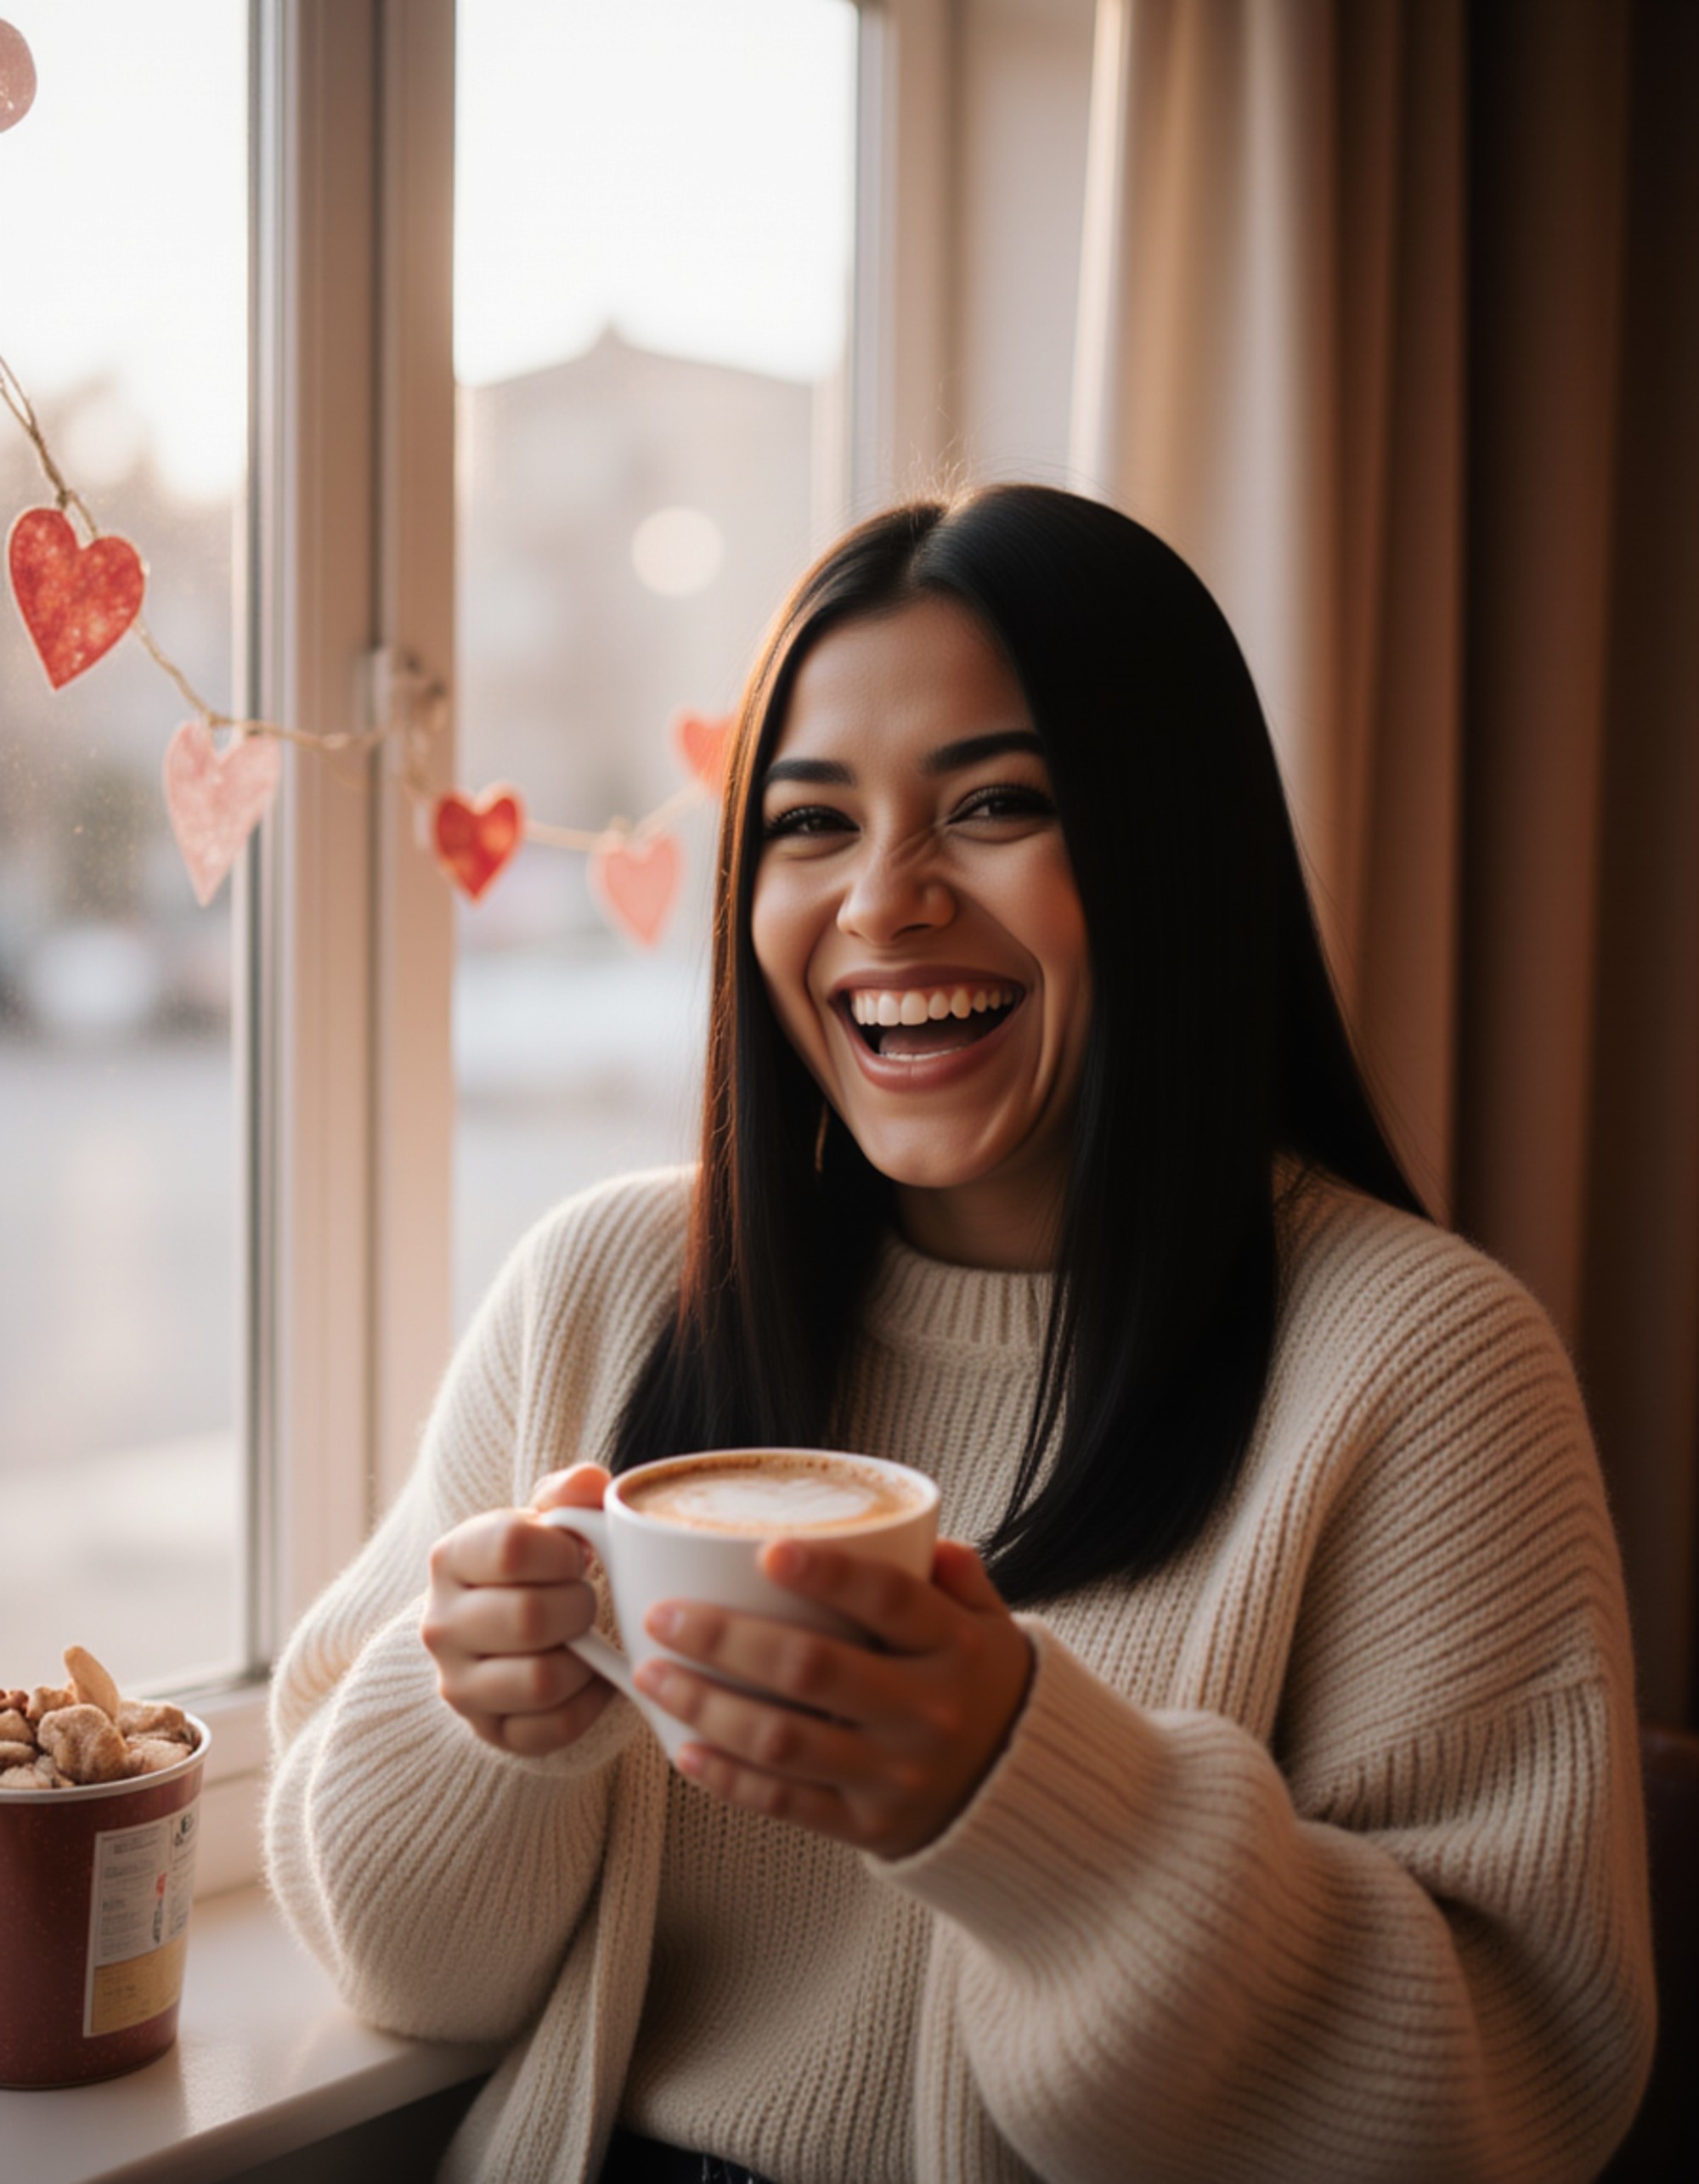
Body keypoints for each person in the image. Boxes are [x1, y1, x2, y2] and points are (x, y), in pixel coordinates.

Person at [265, 486, 1655, 2184]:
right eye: (809, 823)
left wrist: (1027, 1796)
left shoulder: (1422, 1366)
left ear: (1170, 847)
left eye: (996, 803)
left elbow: (1502, 2105)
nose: (884, 900)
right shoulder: (603, 1285)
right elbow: (404, 1968)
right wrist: (478, 1715)